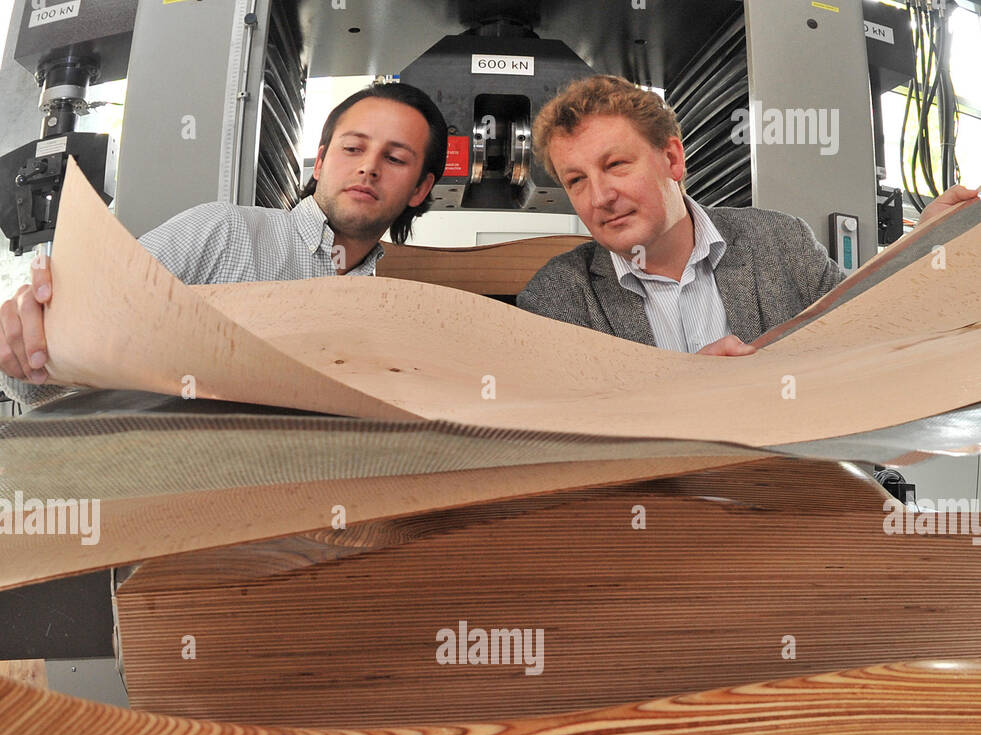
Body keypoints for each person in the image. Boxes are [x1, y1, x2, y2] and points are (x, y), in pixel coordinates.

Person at [0, 80, 447, 409]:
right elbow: (37, 377)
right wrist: (24, 338)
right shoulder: (223, 232)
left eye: (394, 158)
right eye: (353, 149)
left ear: (420, 189)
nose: (369, 168)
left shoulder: (389, 315)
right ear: (323, 160)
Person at [516, 74, 979, 357]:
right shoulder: (556, 299)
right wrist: (684, 397)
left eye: (615, 165)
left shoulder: (780, 242)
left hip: (794, 498)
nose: (599, 197)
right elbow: (560, 435)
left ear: (672, 160)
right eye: (576, 180)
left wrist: (925, 248)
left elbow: (860, 328)